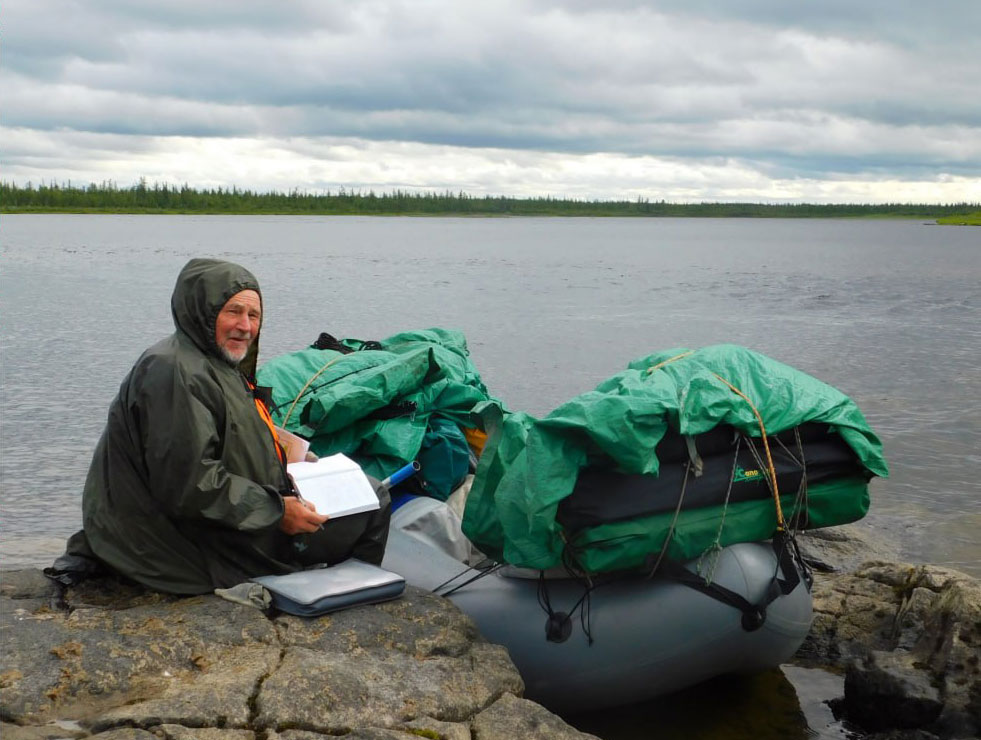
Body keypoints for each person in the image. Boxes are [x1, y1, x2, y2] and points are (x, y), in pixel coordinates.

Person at [57, 258, 390, 594]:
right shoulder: (174, 372)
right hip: (174, 548)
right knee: (375, 499)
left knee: (365, 490)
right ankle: (332, 600)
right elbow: (189, 484)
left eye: (254, 315)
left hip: (209, 524)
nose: (245, 326)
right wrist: (277, 512)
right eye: (233, 311)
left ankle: (319, 585)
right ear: (200, 311)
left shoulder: (213, 363)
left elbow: (224, 440)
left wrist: (286, 458)